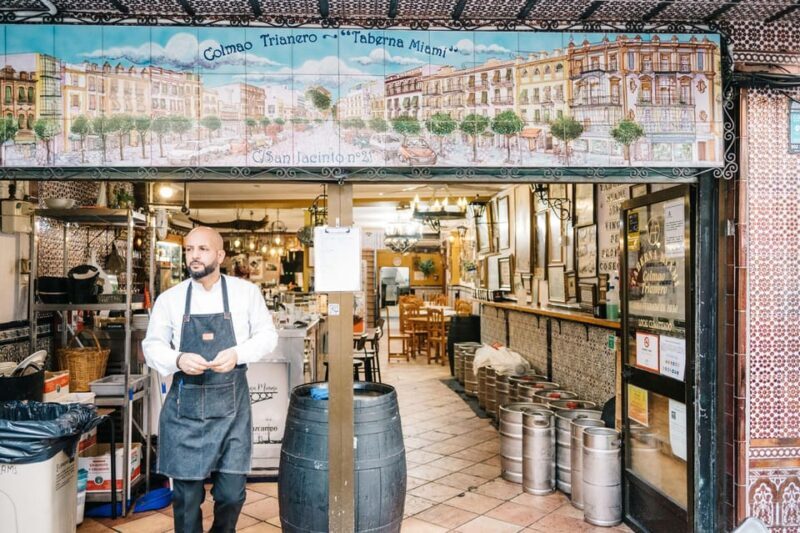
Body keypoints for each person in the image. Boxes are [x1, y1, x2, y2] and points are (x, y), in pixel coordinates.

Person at [143, 226, 278, 533]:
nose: (194, 256)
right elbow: (151, 346)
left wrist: (238, 353)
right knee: (186, 499)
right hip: (184, 411)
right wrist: (177, 359)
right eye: (189, 249)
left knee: (231, 494)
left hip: (231, 408)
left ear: (220, 255)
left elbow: (268, 336)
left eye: (202, 249)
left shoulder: (246, 293)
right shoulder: (170, 299)